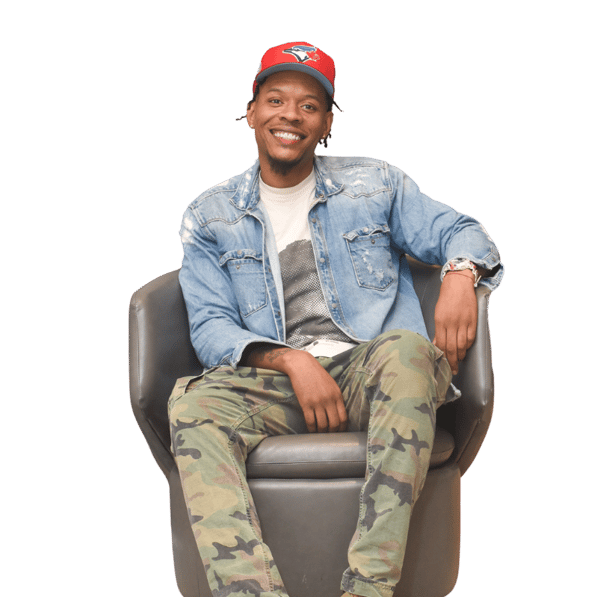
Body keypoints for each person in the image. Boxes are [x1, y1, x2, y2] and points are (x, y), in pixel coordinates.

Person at [169, 41, 503, 597]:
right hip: (278, 384)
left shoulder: (375, 183)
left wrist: (460, 275)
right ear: (251, 111)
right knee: (193, 403)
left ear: (326, 124)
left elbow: (461, 230)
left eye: (309, 106)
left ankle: (368, 588)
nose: (290, 116)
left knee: (407, 351)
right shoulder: (209, 215)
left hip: (372, 373)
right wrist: (291, 361)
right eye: (276, 100)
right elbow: (209, 326)